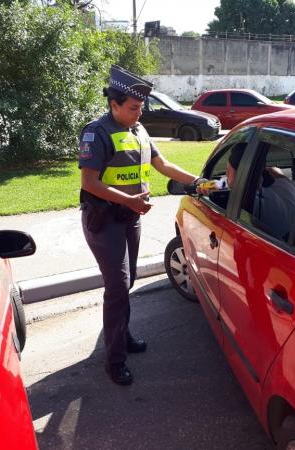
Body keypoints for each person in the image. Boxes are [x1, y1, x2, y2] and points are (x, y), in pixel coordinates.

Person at [78, 65, 199, 386]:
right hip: (104, 220)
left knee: (126, 282)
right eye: (132, 108)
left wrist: (199, 182)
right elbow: (89, 183)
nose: (138, 114)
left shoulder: (139, 131)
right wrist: (129, 201)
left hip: (130, 218)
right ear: (113, 105)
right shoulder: (96, 132)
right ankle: (114, 360)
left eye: (141, 108)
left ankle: (124, 335)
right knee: (117, 287)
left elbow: (164, 165)